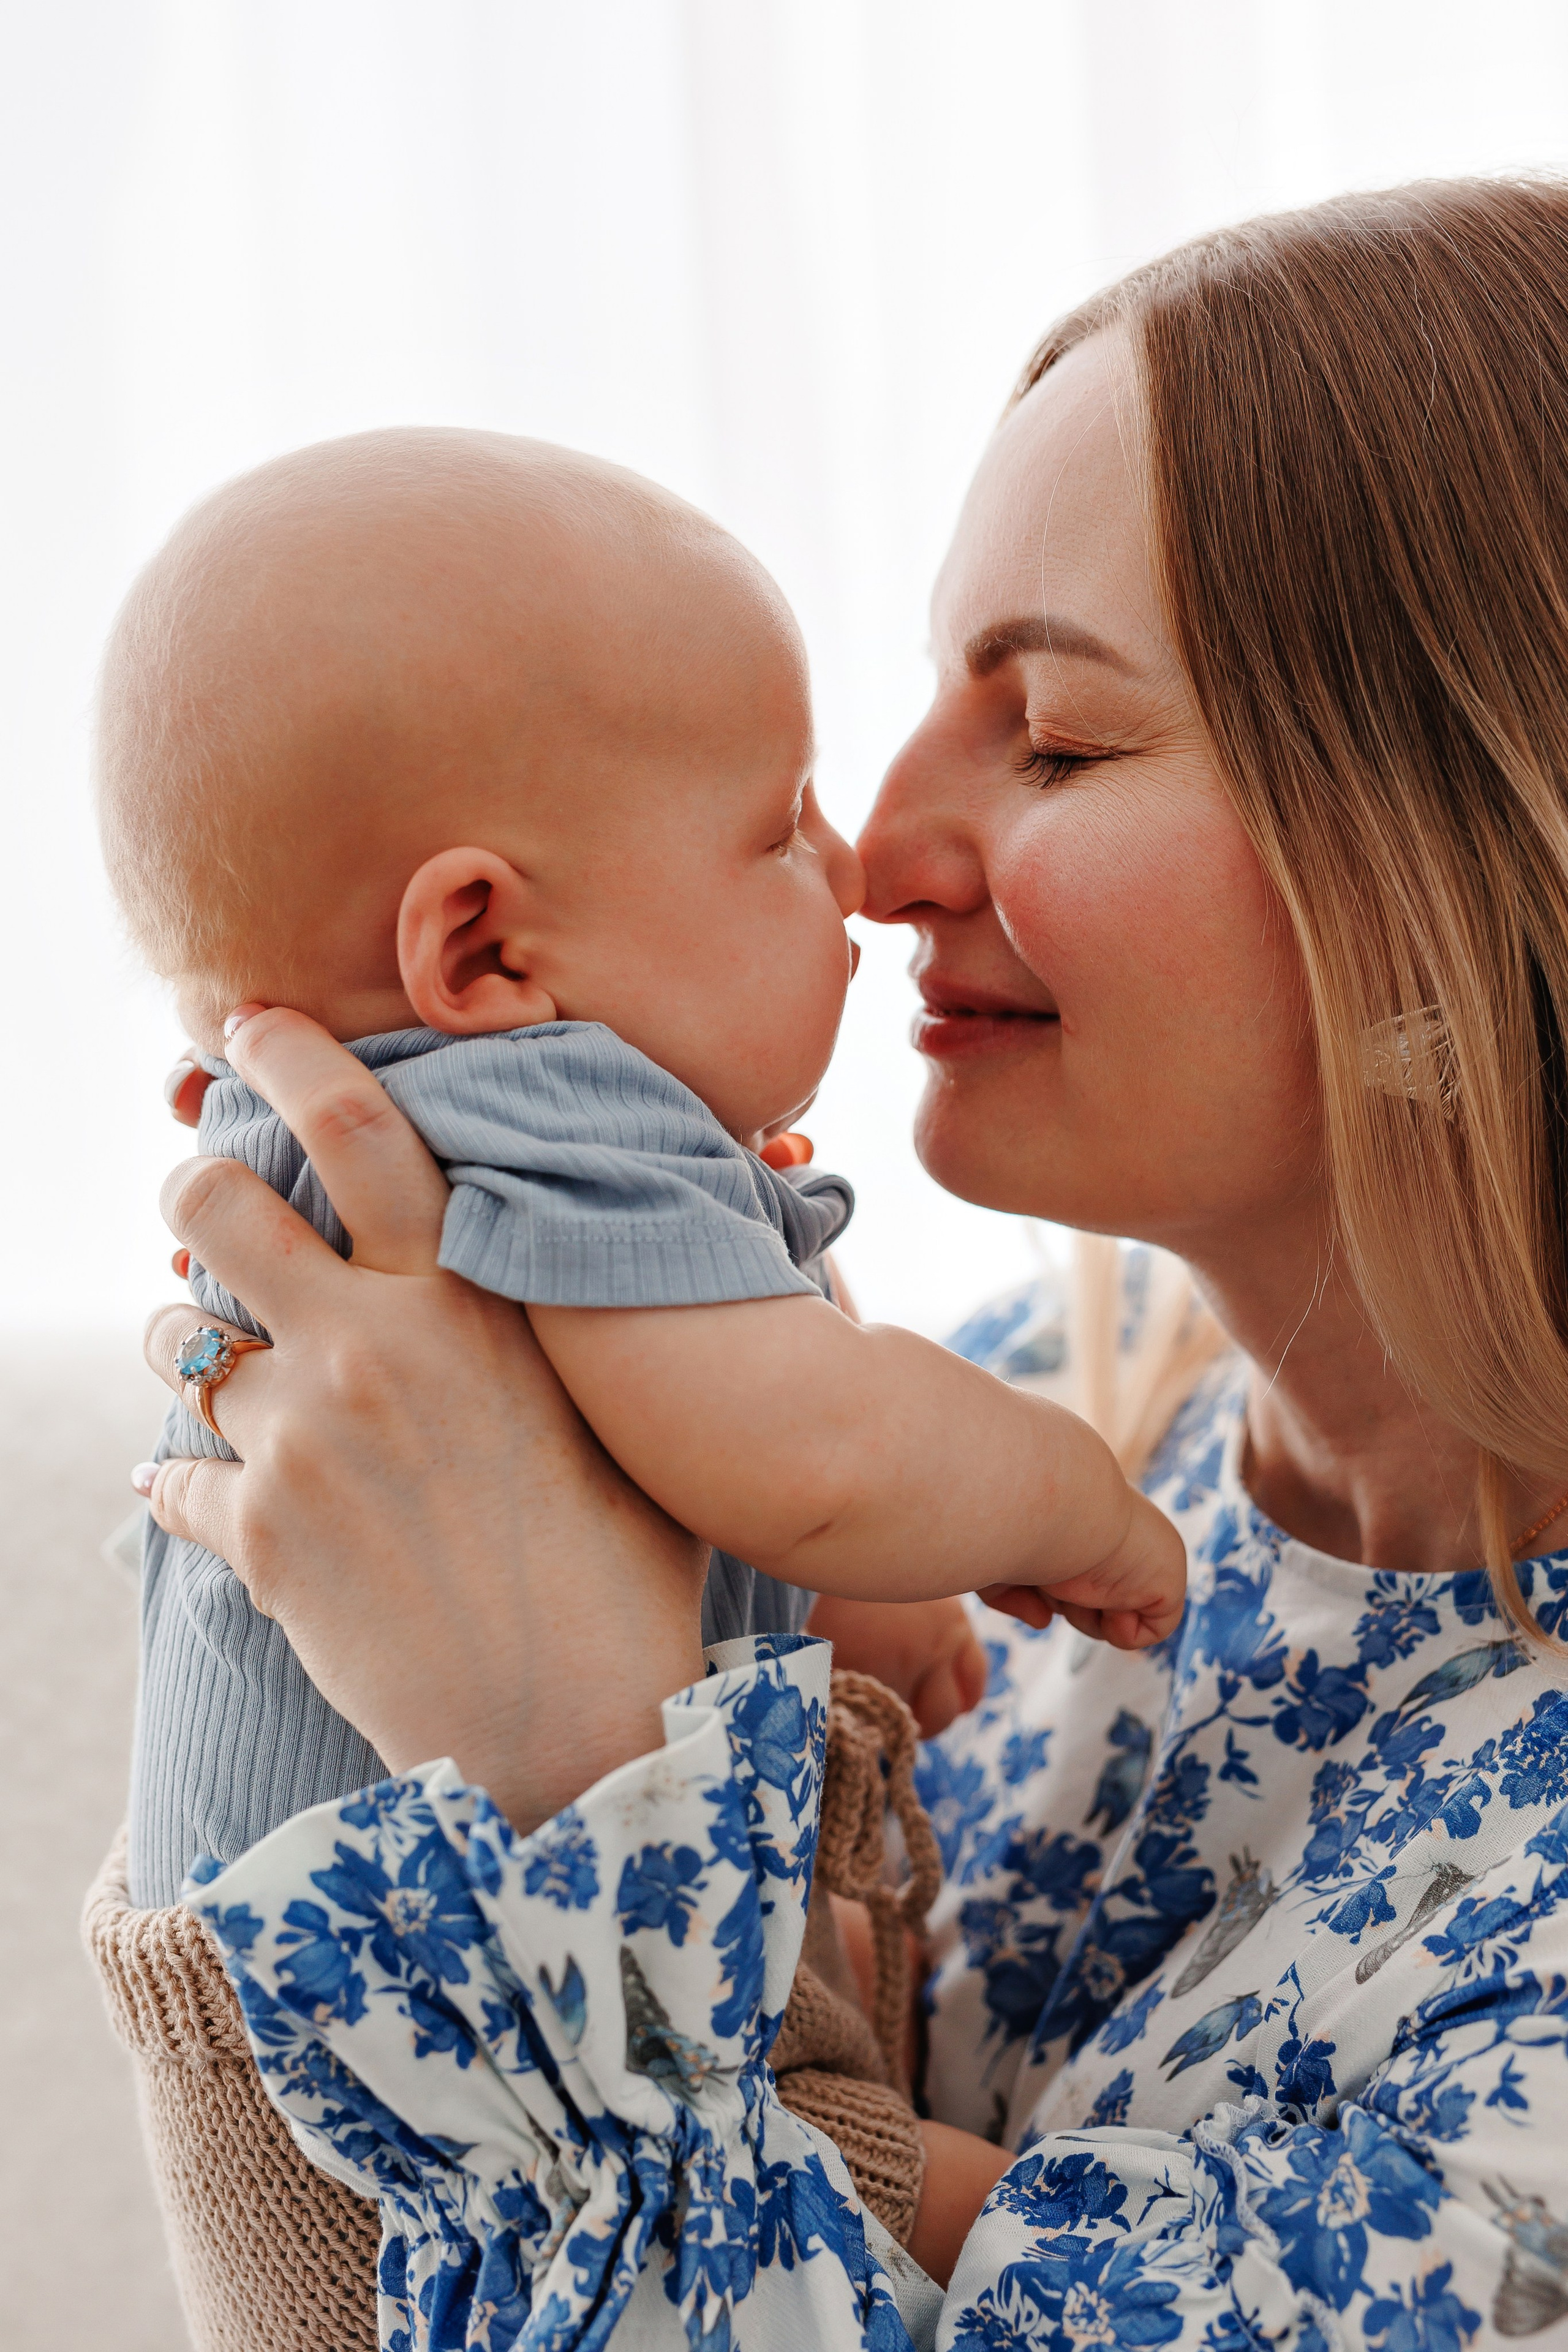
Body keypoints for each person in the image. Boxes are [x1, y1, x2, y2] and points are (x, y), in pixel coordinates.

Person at [124, 176, 1568, 2345]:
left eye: (1059, 736)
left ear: (1461, 839)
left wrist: (562, 1759)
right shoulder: (1030, 1412)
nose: (880, 856)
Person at [95, 430, 1182, 1910]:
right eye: (777, 827)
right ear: (482, 950)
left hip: (313, 2000)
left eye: (1058, 739)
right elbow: (810, 1456)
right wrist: (1069, 1500)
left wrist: (860, 1587)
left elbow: (713, 1452)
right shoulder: (552, 1109)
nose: (856, 863)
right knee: (876, 2149)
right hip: (470, 2022)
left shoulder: (353, 1126)